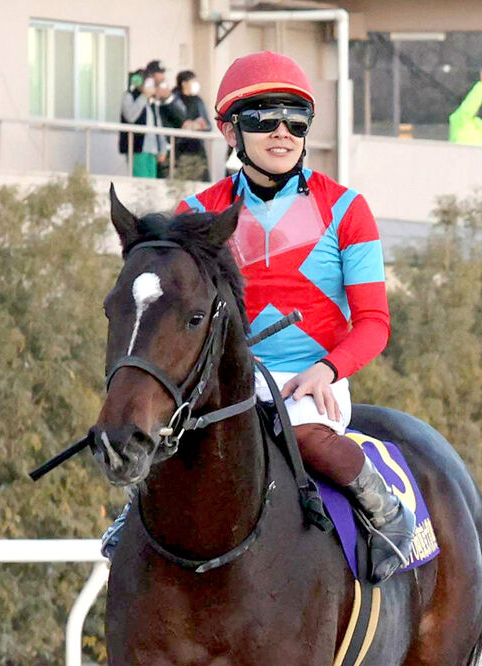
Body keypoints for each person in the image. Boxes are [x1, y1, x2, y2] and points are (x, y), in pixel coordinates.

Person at [103, 51, 415, 580]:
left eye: (295, 120)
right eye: (262, 119)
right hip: (224, 377)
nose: (282, 132)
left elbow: (374, 323)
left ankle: (385, 513)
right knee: (162, 435)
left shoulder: (347, 209)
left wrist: (329, 370)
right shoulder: (195, 215)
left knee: (310, 437)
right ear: (228, 130)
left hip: (308, 379)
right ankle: (134, 512)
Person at [160, 70, 211, 181]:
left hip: (197, 150)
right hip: (178, 151)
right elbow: (177, 121)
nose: (196, 84)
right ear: (184, 83)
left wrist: (197, 126)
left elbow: (207, 125)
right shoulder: (172, 99)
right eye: (193, 81)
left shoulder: (197, 100)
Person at [119, 60, 168, 178]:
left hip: (153, 149)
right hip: (137, 148)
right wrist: (143, 96)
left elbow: (158, 124)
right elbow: (131, 116)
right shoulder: (129, 96)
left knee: (151, 184)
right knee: (140, 183)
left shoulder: (151, 100)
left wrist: (163, 148)